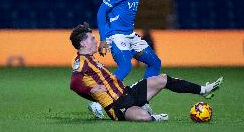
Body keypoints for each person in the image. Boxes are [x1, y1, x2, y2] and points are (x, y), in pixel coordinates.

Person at [69, 22, 223, 121]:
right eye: (91, 38)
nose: (95, 41)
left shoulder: (92, 58)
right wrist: (92, 90)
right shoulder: (81, 61)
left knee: (162, 79)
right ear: (83, 43)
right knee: (144, 117)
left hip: (128, 92)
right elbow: (74, 84)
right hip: (117, 106)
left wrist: (92, 93)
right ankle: (152, 118)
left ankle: (203, 89)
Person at [96, 0, 161, 81]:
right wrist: (103, 39)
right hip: (116, 35)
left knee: (155, 63)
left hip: (130, 35)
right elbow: (101, 12)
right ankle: (99, 99)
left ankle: (143, 98)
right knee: (125, 67)